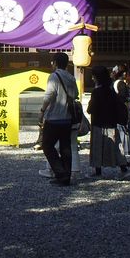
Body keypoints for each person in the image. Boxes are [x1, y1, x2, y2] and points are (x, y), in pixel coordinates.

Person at [41, 52, 79, 185]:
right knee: (65, 147)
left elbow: (49, 96)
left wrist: (42, 111)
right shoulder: (71, 77)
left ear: (55, 63)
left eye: (53, 62)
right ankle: (66, 176)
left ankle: (60, 173)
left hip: (54, 117)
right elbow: (76, 94)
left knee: (47, 145)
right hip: (67, 117)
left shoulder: (54, 76)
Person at [87, 66, 129, 179]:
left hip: (98, 123)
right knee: (116, 147)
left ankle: (98, 170)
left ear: (97, 78)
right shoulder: (111, 91)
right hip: (111, 122)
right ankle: (123, 168)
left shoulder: (96, 92)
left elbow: (91, 109)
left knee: (97, 147)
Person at [112, 65, 130, 158]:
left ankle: (119, 155)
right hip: (123, 110)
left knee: (119, 132)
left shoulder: (115, 83)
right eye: (123, 72)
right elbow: (123, 99)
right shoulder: (121, 84)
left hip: (116, 110)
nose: (125, 74)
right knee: (124, 133)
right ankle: (123, 156)